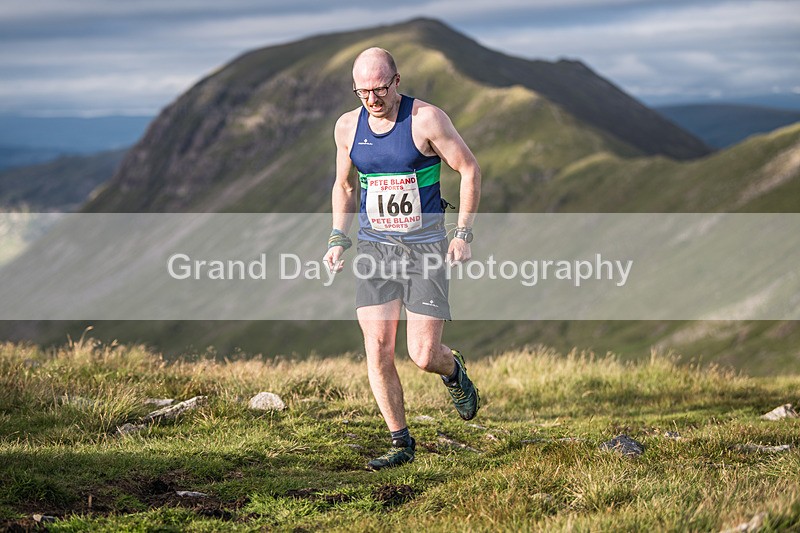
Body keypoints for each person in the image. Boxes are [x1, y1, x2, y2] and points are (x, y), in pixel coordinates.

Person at [323, 47, 481, 471]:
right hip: (375, 249)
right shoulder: (347, 126)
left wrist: (462, 233)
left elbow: (468, 169)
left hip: (425, 248)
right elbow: (345, 185)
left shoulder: (426, 119)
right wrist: (338, 237)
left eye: (379, 89)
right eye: (362, 91)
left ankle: (452, 370)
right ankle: (400, 442)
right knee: (377, 348)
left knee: (424, 355)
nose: (371, 99)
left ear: (396, 81)